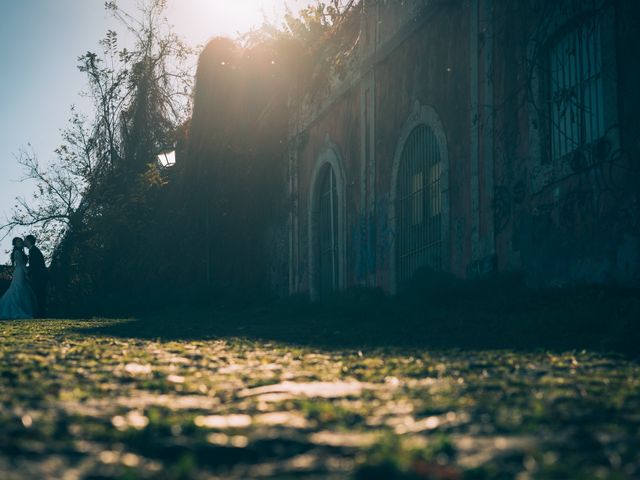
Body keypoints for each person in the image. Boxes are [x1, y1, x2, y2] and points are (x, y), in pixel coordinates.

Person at [0, 237, 36, 319]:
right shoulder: (17, 252)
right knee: (17, 289)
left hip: (21, 271)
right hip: (20, 272)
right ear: (15, 244)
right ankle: (15, 310)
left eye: (20, 241)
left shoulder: (21, 252)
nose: (19, 242)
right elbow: (21, 264)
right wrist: (27, 272)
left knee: (22, 290)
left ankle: (23, 309)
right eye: (17, 241)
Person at [25, 235, 48, 317]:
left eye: (25, 240)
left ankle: (41, 314)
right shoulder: (33, 250)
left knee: (39, 294)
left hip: (39, 277)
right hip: (40, 276)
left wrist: (29, 274)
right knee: (39, 295)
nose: (24, 242)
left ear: (28, 241)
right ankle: (40, 313)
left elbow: (34, 265)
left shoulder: (33, 251)